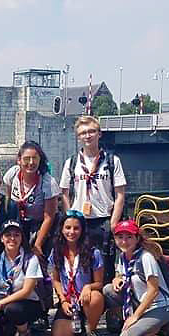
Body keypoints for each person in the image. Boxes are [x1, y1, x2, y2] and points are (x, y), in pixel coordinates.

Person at [59, 115, 128, 280]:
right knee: (81, 264)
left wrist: (113, 223)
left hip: (103, 220)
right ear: (78, 137)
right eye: (83, 133)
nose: (87, 136)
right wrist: (70, 216)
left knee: (105, 266)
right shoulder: (71, 163)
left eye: (91, 131)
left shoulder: (112, 161)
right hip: (80, 221)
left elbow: (120, 194)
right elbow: (64, 193)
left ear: (99, 134)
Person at [103, 220, 169, 336]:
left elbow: (153, 291)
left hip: (158, 306)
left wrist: (135, 316)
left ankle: (161, 329)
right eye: (120, 237)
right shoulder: (123, 256)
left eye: (129, 237)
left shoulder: (146, 257)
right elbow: (120, 273)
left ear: (137, 238)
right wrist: (117, 279)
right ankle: (148, 326)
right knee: (108, 290)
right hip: (138, 301)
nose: (124, 241)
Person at [0, 221, 44, 336]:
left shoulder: (30, 258)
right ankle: (10, 330)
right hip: (1, 302)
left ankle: (24, 331)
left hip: (25, 303)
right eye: (8, 235)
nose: (12, 238)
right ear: (1, 238)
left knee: (13, 309)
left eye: (16, 235)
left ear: (21, 238)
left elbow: (26, 291)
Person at [49, 211, 106, 336]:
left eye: (76, 228)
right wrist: (63, 300)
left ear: (82, 230)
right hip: (69, 301)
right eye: (68, 228)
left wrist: (88, 287)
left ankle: (91, 329)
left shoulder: (93, 252)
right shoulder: (56, 251)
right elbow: (55, 280)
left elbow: (99, 283)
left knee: (96, 297)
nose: (71, 232)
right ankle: (77, 324)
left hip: (86, 299)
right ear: (62, 229)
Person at [2, 141, 61, 258]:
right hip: (18, 222)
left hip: (40, 225)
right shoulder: (12, 174)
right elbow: (8, 200)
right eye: (26, 159)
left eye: (34, 159)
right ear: (19, 160)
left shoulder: (48, 183)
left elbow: (49, 217)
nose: (31, 163)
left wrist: (38, 244)